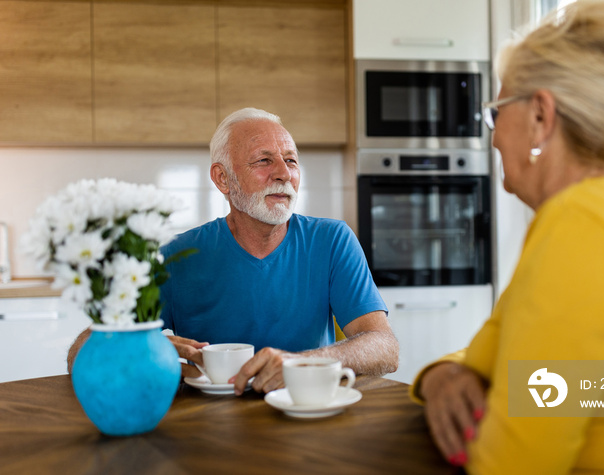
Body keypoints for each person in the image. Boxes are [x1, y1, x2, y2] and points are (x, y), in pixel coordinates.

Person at [410, 1, 604, 473]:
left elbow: (511, 464)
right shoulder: (597, 214)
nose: (494, 136)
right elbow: (505, 345)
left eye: (497, 112)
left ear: (541, 116)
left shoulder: (583, 226)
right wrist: (442, 374)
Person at [68, 108, 399, 395]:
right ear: (222, 178)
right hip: (205, 425)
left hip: (304, 415)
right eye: (264, 160)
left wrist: (302, 362)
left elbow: (385, 349)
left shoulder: (332, 241)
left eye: (291, 160)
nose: (284, 174)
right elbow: (81, 353)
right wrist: (140, 348)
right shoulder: (179, 257)